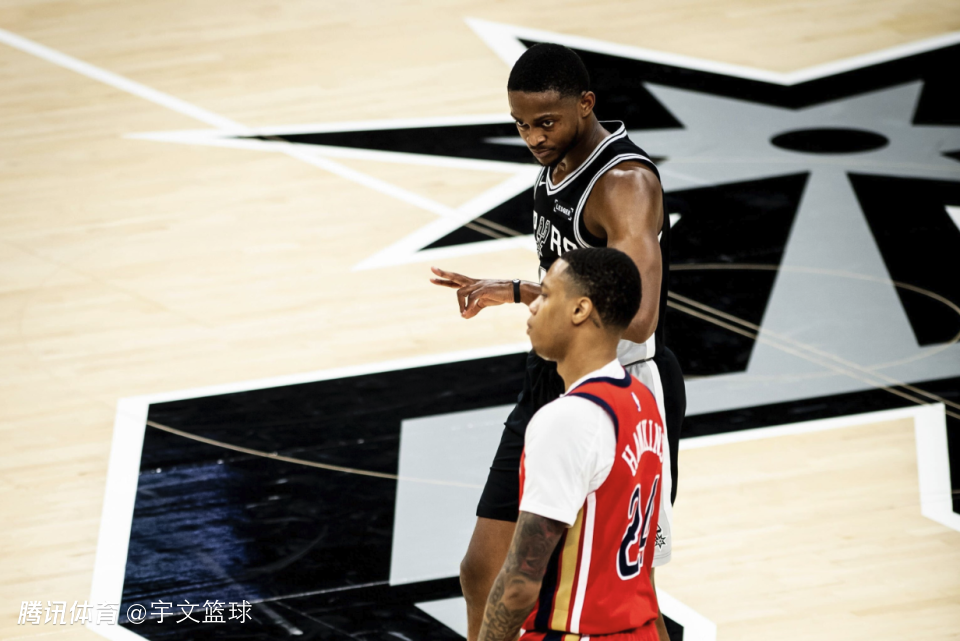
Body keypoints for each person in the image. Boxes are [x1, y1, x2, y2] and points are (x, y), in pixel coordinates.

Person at [429, 43, 685, 641]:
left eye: (545, 122)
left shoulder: (624, 184)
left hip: (621, 388)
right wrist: (522, 291)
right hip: (555, 376)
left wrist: (533, 295)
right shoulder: (558, 160)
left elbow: (639, 317)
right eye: (520, 125)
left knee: (619, 587)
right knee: (482, 570)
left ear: (585, 103)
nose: (533, 138)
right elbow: (581, 280)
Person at [477, 248, 667, 641]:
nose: (533, 307)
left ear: (580, 310)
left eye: (546, 295)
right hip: (638, 630)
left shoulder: (567, 419)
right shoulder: (643, 402)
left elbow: (520, 582)